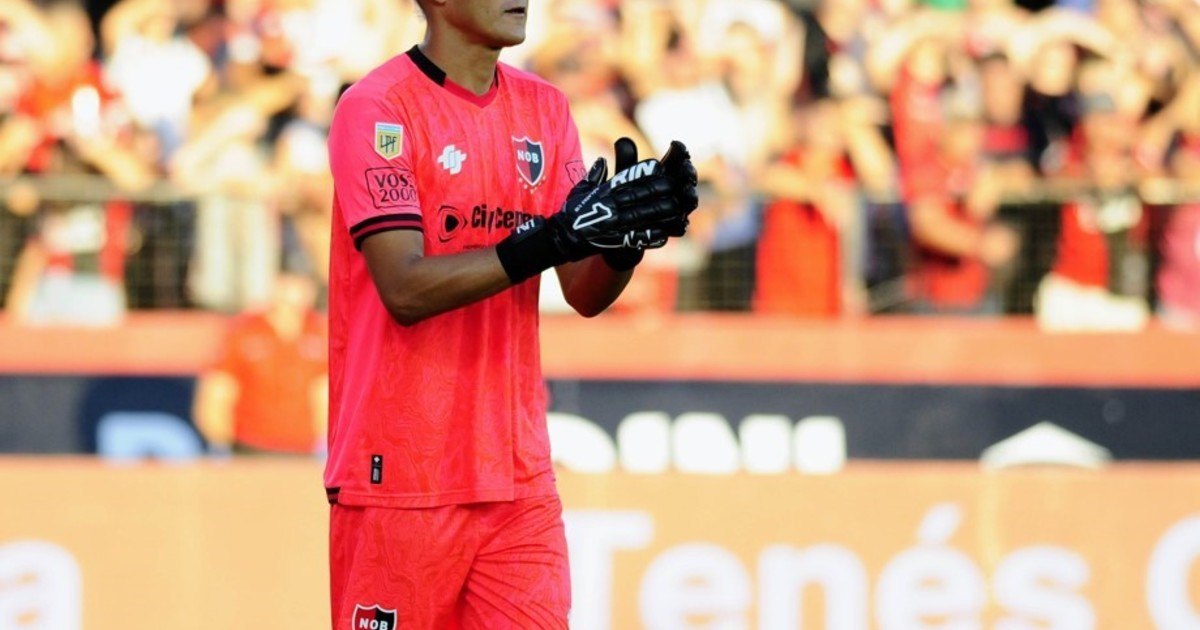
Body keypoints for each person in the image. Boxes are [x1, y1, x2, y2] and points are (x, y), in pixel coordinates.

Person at [322, 1, 698, 628]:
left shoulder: (545, 108)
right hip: (400, 478)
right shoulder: (377, 108)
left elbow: (584, 291)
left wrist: (623, 242)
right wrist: (552, 239)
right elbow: (404, 287)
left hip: (518, 479)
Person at [192, 269, 328, 455]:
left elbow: (323, 392)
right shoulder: (243, 332)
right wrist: (221, 443)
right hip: (250, 447)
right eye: (286, 285)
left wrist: (323, 442)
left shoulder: (321, 333)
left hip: (304, 449)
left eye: (301, 285)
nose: (293, 294)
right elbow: (218, 390)